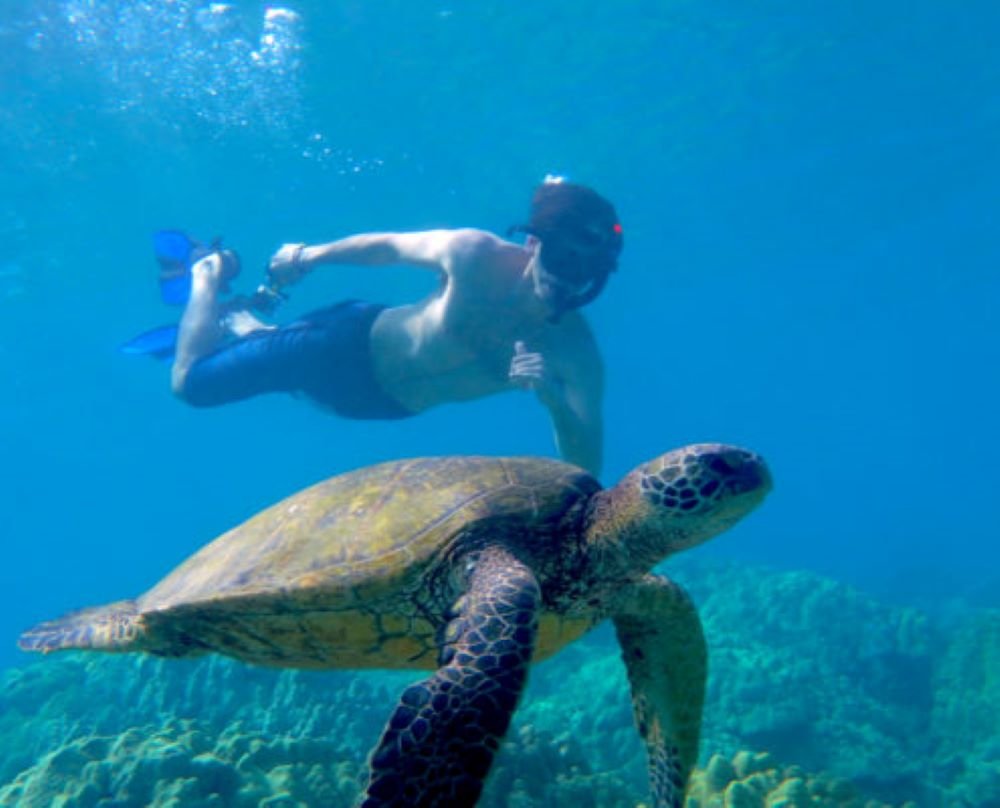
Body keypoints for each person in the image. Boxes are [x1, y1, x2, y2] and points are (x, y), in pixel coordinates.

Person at [170, 177, 623, 476]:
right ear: (533, 242)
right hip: (340, 346)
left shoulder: (574, 352)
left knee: (299, 386)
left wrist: (551, 400)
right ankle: (207, 270)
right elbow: (388, 247)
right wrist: (308, 255)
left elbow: (585, 469)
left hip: (376, 405)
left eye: (585, 273)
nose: (567, 279)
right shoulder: (476, 254)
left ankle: (255, 330)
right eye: (562, 260)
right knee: (191, 386)